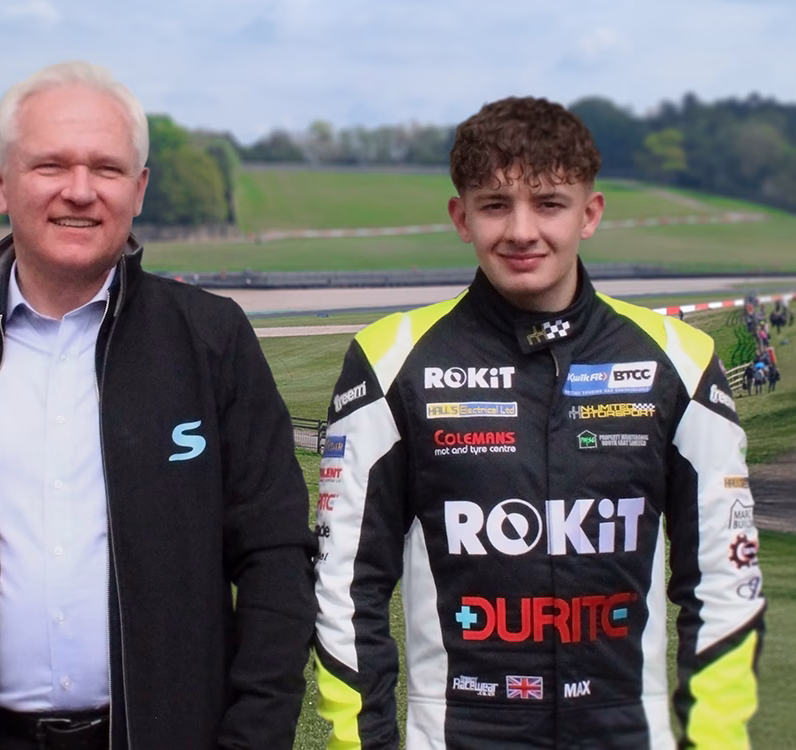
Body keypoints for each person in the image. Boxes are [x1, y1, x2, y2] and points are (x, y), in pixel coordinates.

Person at [0, 61, 316, 750]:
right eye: (51, 165)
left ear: (139, 189)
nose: (81, 190)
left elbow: (276, 555)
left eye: (107, 168)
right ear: (1, 185)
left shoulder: (212, 340)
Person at [312, 97, 764, 749]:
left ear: (590, 213)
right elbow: (344, 587)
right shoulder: (389, 361)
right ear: (461, 217)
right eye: (496, 204)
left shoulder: (681, 362)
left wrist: (717, 741)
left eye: (549, 203)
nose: (522, 231)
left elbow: (725, 579)